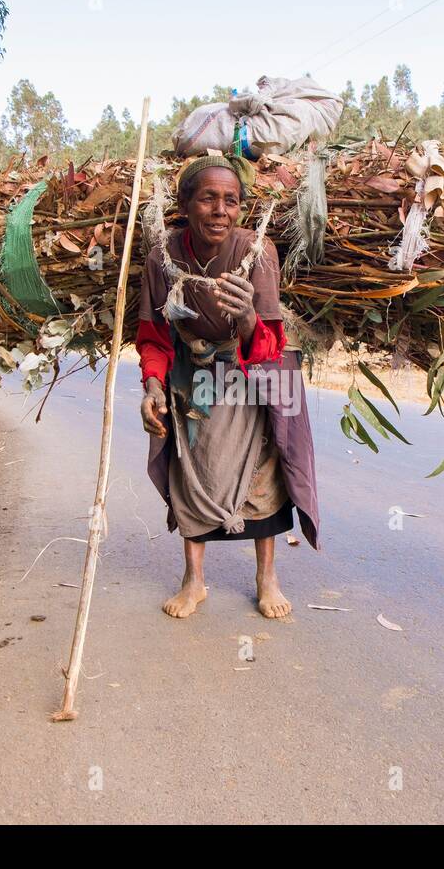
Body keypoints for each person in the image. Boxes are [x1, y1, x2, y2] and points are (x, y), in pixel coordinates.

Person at [136, 155, 320, 620]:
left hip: (250, 374)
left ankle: (267, 577)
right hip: (191, 374)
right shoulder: (162, 256)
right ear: (184, 204)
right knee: (190, 471)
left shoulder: (258, 252)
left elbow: (270, 343)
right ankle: (193, 580)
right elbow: (154, 337)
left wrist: (245, 318)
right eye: (209, 199)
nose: (221, 210)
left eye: (231, 201)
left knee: (263, 473)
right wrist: (153, 386)